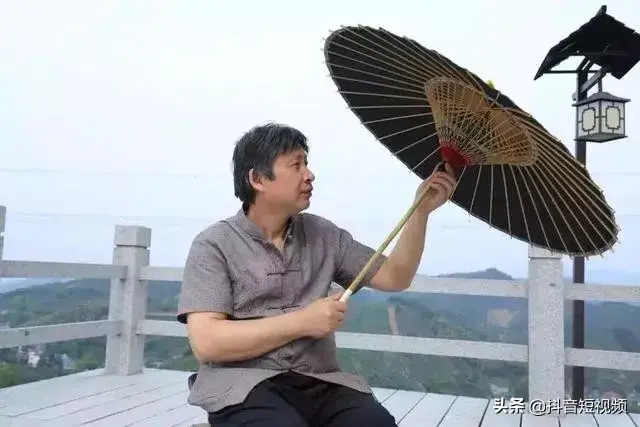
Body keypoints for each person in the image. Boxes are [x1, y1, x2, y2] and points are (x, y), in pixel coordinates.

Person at [177, 122, 456, 427]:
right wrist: (302, 322)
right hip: (242, 385)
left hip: (319, 381)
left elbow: (395, 277)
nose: (309, 175)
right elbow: (207, 343)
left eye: (306, 164)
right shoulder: (214, 244)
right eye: (296, 165)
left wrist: (421, 211)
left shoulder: (323, 234)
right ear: (257, 179)